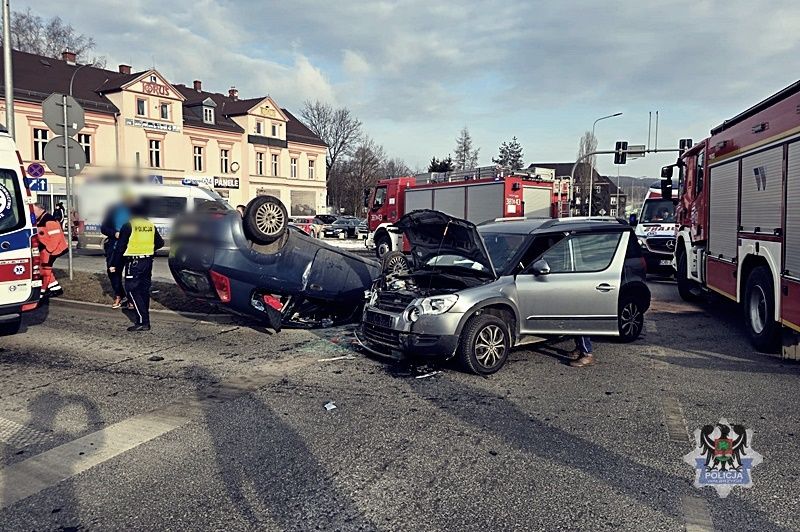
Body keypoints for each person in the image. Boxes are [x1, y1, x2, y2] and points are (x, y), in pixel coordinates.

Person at [109, 203, 164, 331]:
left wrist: (114, 264)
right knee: (144, 291)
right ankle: (145, 320)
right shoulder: (150, 225)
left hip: (134, 263)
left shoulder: (129, 225)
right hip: (147, 262)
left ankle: (142, 322)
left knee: (132, 290)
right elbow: (160, 243)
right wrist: (149, 249)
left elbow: (120, 247)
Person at [100, 199, 132, 308]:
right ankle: (119, 295)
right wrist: (115, 233)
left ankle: (131, 299)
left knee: (131, 275)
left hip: (131, 247)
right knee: (113, 271)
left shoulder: (136, 211)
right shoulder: (113, 210)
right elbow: (104, 228)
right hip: (114, 247)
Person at [32, 203, 68, 297]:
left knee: (45, 270)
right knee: (43, 269)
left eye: (34, 210)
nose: (32, 212)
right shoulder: (40, 219)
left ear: (40, 209)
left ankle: (42, 291)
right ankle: (55, 288)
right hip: (46, 249)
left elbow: (55, 238)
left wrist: (48, 250)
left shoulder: (49, 220)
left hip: (52, 249)